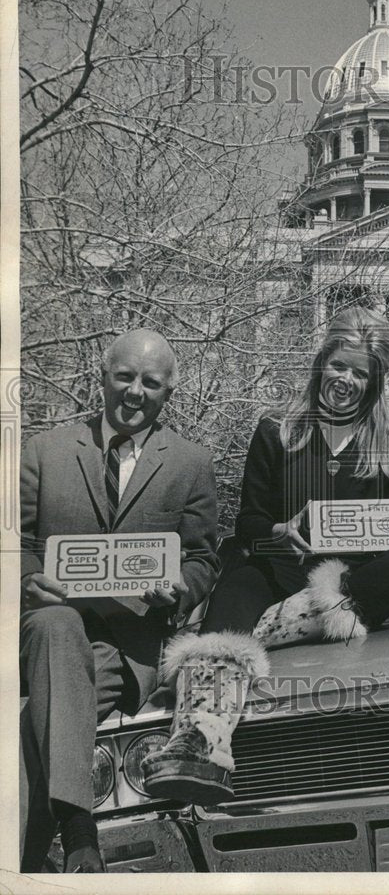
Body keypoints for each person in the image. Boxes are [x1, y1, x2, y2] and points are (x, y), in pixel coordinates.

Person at [141, 305, 389, 804]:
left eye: (360, 373)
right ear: (321, 363)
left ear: (375, 382)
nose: (346, 380)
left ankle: (278, 627)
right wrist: (277, 530)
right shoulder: (277, 429)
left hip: (346, 585)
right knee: (239, 581)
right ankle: (200, 741)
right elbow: (247, 522)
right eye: (339, 366)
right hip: (277, 569)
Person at [19, 329, 220, 873]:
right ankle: (80, 835)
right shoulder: (44, 450)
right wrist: (27, 579)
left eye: (150, 383)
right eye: (124, 377)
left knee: (32, 730)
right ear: (102, 379)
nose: (135, 392)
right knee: (57, 624)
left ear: (168, 392)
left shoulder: (190, 462)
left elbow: (204, 558)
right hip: (43, 630)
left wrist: (180, 584)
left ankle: (26, 866)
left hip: (125, 647)